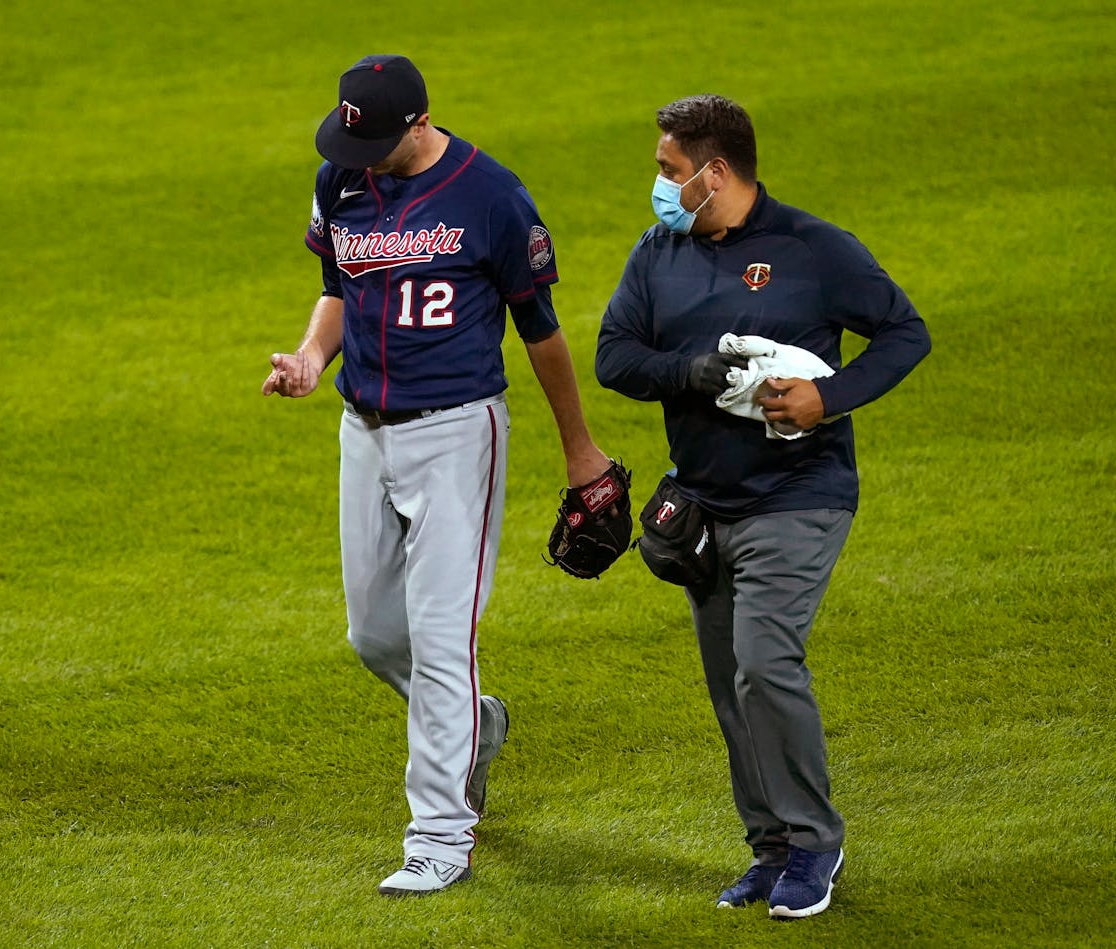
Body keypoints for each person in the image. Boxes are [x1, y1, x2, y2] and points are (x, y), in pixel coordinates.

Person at [262, 54, 612, 897]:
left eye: (376, 139)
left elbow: (542, 332)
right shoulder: (340, 179)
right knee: (376, 635)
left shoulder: (490, 197)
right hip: (363, 430)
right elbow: (338, 285)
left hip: (457, 433)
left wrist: (581, 452)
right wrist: (313, 356)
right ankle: (474, 727)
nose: (359, 152)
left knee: (444, 637)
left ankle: (440, 836)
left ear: (421, 122)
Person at [595, 94, 931, 920]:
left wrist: (829, 397)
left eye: (671, 170)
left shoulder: (813, 250)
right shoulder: (658, 250)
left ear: (715, 173)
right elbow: (614, 355)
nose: (661, 185)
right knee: (729, 681)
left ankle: (816, 841)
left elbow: (903, 332)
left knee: (763, 659)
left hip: (798, 494)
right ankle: (771, 848)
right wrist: (688, 370)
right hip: (707, 503)